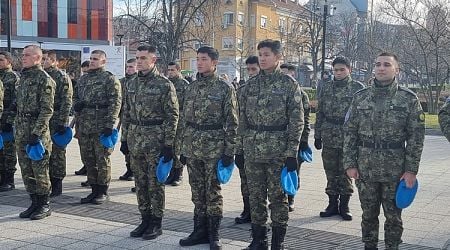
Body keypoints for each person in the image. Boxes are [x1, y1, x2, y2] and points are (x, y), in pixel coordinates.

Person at [344, 52, 425, 250]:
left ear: (396, 69)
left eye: (387, 65)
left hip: (395, 170)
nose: (381, 68)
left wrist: (411, 170)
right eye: (378, 64)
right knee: (368, 215)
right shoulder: (360, 98)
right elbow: (349, 132)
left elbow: (416, 138)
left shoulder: (408, 99)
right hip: (366, 168)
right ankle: (369, 246)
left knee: (393, 217)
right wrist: (349, 163)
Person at [240, 39, 304, 250]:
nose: (262, 58)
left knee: (278, 198)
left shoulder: (288, 85)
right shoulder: (249, 85)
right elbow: (241, 119)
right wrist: (239, 149)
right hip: (252, 151)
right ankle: (258, 240)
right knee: (255, 196)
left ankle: (278, 242)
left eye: (267, 54)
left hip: (278, 151)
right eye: (260, 54)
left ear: (278, 57)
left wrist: (292, 153)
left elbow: (297, 121)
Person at [178, 46, 238, 250]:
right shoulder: (191, 87)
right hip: (193, 146)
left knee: (212, 192)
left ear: (214, 63)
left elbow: (232, 122)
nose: (199, 62)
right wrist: (183, 148)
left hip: (214, 147)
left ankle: (214, 234)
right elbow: (184, 120)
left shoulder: (224, 88)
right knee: (197, 192)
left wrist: (230, 152)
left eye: (203, 59)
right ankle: (199, 231)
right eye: (197, 59)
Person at [121, 45, 179, 240]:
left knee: (155, 183)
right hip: (136, 140)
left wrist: (169, 144)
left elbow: (172, 116)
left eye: (143, 58)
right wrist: (124, 139)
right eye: (137, 57)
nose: (139, 61)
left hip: (155, 140)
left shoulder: (164, 84)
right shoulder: (131, 84)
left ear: (153, 60)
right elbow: (127, 113)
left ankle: (156, 222)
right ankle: (144, 219)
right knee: (140, 182)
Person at [314, 56, 365, 220]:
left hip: (348, 138)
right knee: (330, 172)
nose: (338, 73)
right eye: (336, 70)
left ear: (349, 69)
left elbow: (362, 117)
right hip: (329, 135)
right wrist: (317, 135)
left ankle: (344, 205)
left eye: (342, 69)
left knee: (345, 172)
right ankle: (332, 204)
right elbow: (320, 112)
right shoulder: (326, 87)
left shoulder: (358, 88)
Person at [74, 50, 121, 205]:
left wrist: (110, 124)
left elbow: (115, 103)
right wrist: (77, 105)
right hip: (85, 125)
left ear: (103, 61)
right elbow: (76, 97)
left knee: (102, 159)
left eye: (96, 59)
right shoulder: (83, 79)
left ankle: (102, 191)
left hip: (101, 125)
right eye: (91, 59)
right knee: (88, 159)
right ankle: (93, 189)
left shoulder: (109, 79)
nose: (92, 61)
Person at [16, 45, 55, 220]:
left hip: (36, 131)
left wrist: (36, 132)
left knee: (39, 169)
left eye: (27, 55)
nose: (23, 57)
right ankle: (34, 202)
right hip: (21, 129)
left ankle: (44, 204)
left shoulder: (44, 79)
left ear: (38, 58)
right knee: (26, 169)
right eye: (22, 55)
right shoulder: (23, 77)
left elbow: (47, 110)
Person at [280, 63, 311, 212]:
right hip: (279, 141)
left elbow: (304, 120)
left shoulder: (301, 94)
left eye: (287, 73)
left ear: (293, 74)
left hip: (295, 140)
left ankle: (291, 197)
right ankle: (281, 197)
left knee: (294, 170)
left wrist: (304, 141)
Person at [42, 50, 73, 197]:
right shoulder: (41, 76)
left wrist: (63, 121)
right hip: (43, 120)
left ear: (54, 61)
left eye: (47, 59)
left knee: (58, 152)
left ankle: (57, 182)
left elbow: (67, 101)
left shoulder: (61, 77)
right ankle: (46, 182)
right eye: (43, 59)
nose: (44, 61)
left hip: (57, 119)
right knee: (45, 151)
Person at [235, 55, 259, 224]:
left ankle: (260, 213)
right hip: (246, 144)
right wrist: (238, 149)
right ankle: (247, 210)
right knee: (245, 180)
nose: (251, 73)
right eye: (248, 69)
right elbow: (237, 121)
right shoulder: (242, 90)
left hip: (268, 146)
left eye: (254, 69)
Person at [165, 61, 189, 186]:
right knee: (169, 147)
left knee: (178, 148)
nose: (170, 72)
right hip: (168, 121)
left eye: (172, 70)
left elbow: (187, 105)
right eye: (168, 70)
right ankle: (171, 174)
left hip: (180, 121)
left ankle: (178, 174)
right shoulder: (167, 84)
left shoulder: (184, 85)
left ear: (178, 70)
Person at [0, 51, 19, 192]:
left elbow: (16, 101)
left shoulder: (13, 78)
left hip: (7, 117)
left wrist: (10, 120)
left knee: (8, 150)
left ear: (9, 61)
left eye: (1, 60)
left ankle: (9, 179)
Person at [119, 59, 137, 182]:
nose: (128, 69)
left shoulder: (136, 82)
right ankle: (129, 169)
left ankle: (135, 171)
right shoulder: (122, 82)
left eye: (131, 67)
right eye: (127, 67)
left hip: (136, 119)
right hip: (125, 117)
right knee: (126, 145)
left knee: (135, 148)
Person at [75, 60, 91, 177]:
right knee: (82, 145)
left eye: (87, 72)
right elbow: (75, 96)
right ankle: (85, 165)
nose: (85, 75)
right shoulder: (80, 81)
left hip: (93, 120)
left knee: (92, 150)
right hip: (80, 119)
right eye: (83, 72)